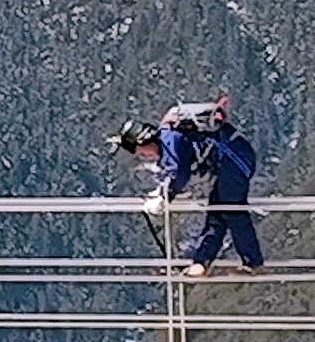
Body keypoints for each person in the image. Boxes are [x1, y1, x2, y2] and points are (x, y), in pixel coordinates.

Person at [110, 96, 262, 278]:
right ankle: (201, 262)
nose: (144, 156)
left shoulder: (169, 140)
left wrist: (166, 195)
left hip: (233, 161)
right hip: (235, 160)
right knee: (218, 211)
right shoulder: (169, 137)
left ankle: (252, 262)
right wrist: (164, 192)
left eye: (140, 152)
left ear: (142, 143)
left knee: (232, 210)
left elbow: (180, 174)